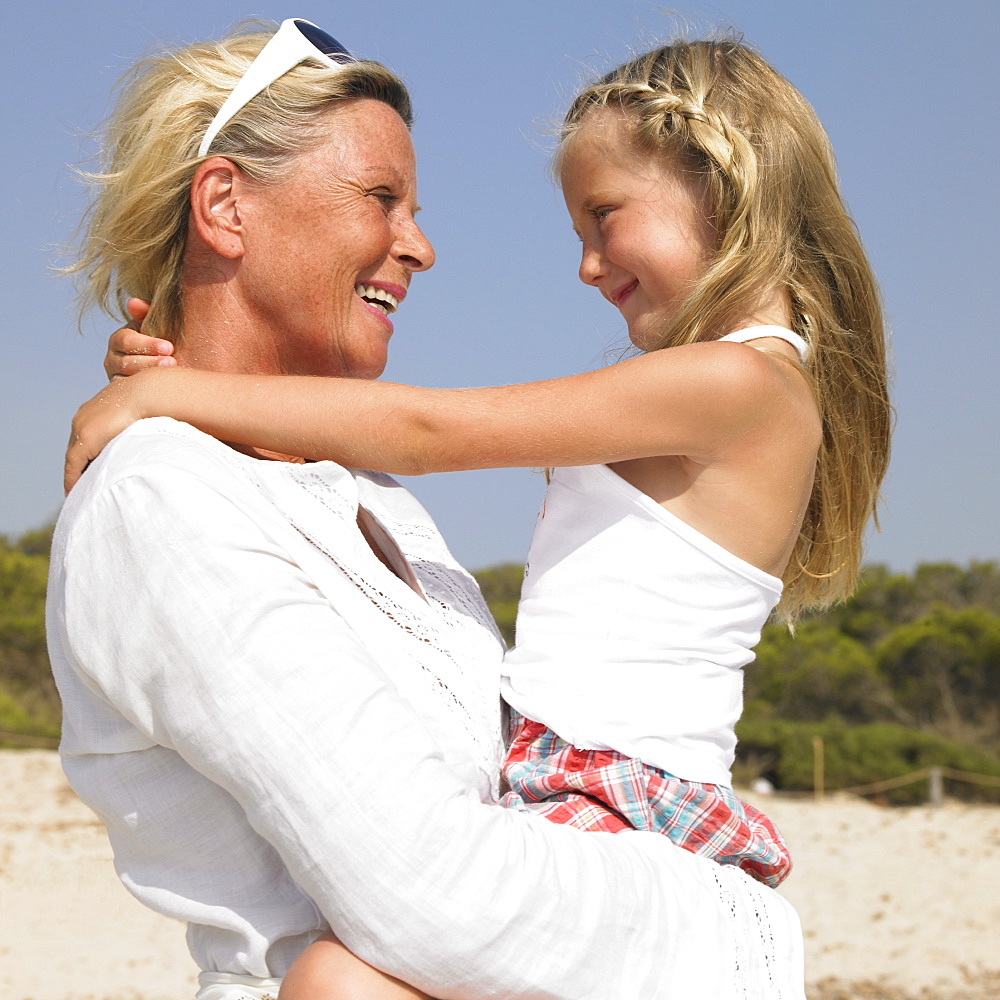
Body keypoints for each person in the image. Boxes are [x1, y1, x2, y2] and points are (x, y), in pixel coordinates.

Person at [51, 20, 810, 1000]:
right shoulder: (161, 492)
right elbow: (440, 900)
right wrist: (728, 930)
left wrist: (174, 388)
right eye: (381, 197)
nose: (422, 245)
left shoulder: (361, 494)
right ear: (226, 205)